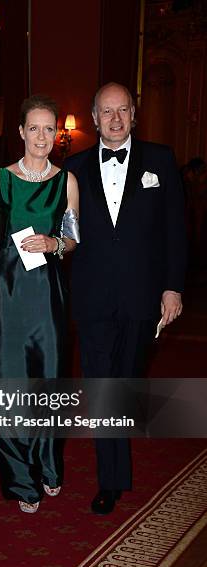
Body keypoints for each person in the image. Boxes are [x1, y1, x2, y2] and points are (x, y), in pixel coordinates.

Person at [64, 82, 186, 514]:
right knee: (102, 386)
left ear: (134, 114)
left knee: (126, 380)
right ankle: (110, 481)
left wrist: (173, 287)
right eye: (106, 112)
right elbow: (65, 228)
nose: (114, 119)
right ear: (94, 118)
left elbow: (175, 229)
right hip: (93, 294)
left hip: (142, 295)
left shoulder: (161, 160)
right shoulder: (73, 166)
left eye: (122, 111)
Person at [0, 95, 79, 513]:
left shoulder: (67, 182)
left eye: (50, 129)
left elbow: (73, 240)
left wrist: (54, 243)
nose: (43, 136)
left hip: (47, 295)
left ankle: (48, 464)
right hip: (5, 294)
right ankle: (20, 479)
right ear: (21, 132)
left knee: (48, 382)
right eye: (35, 128)